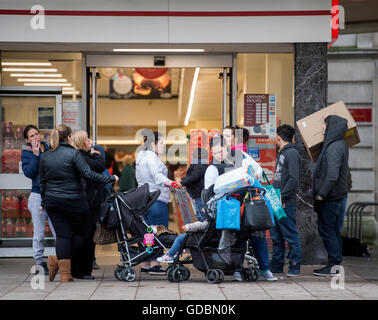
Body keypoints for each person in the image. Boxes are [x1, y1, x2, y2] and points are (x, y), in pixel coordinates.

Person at [40, 125, 118, 282]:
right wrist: (110, 178)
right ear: (69, 138)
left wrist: (44, 200)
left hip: (52, 201)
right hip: (73, 201)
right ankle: (57, 261)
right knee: (84, 234)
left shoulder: (46, 155)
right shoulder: (73, 153)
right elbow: (89, 174)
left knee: (63, 236)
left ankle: (64, 273)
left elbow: (42, 182)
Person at [135, 130, 181, 275]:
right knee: (159, 232)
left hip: (144, 200)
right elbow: (157, 176)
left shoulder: (141, 156)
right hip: (157, 200)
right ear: (153, 144)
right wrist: (173, 183)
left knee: (147, 232)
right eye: (161, 143)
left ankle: (146, 263)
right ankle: (155, 263)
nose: (163, 146)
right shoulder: (152, 158)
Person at [312, 115, 349, 276]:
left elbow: (332, 175)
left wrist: (321, 194)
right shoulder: (339, 145)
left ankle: (334, 265)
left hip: (330, 197)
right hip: (334, 195)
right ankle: (335, 264)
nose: (322, 129)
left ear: (332, 128)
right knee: (332, 230)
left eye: (325, 126)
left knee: (328, 230)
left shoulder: (334, 148)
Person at [70, 130, 107, 280]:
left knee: (86, 236)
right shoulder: (82, 157)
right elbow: (100, 165)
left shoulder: (81, 156)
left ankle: (83, 270)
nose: (90, 141)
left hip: (87, 202)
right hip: (87, 202)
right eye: (87, 139)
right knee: (86, 237)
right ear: (81, 142)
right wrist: (95, 153)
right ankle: (81, 271)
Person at [21, 125, 56, 275]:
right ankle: (39, 262)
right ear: (27, 140)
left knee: (58, 230)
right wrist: (35, 155)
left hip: (53, 194)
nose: (36, 137)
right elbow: (29, 173)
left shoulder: (48, 148)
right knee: (39, 232)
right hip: (37, 195)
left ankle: (62, 261)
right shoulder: (27, 153)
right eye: (32, 136)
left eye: (37, 134)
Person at [269, 125, 302, 276]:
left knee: (290, 235)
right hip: (277, 201)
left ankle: (295, 267)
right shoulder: (282, 153)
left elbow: (294, 179)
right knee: (276, 236)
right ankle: (276, 265)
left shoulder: (292, 154)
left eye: (276, 138)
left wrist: (281, 197)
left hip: (284, 203)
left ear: (279, 138)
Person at [179, 148, 209, 222]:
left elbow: (194, 176)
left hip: (199, 195)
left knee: (201, 217)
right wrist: (184, 180)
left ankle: (204, 232)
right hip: (200, 194)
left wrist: (182, 183)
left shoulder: (199, 165)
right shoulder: (202, 165)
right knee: (200, 215)